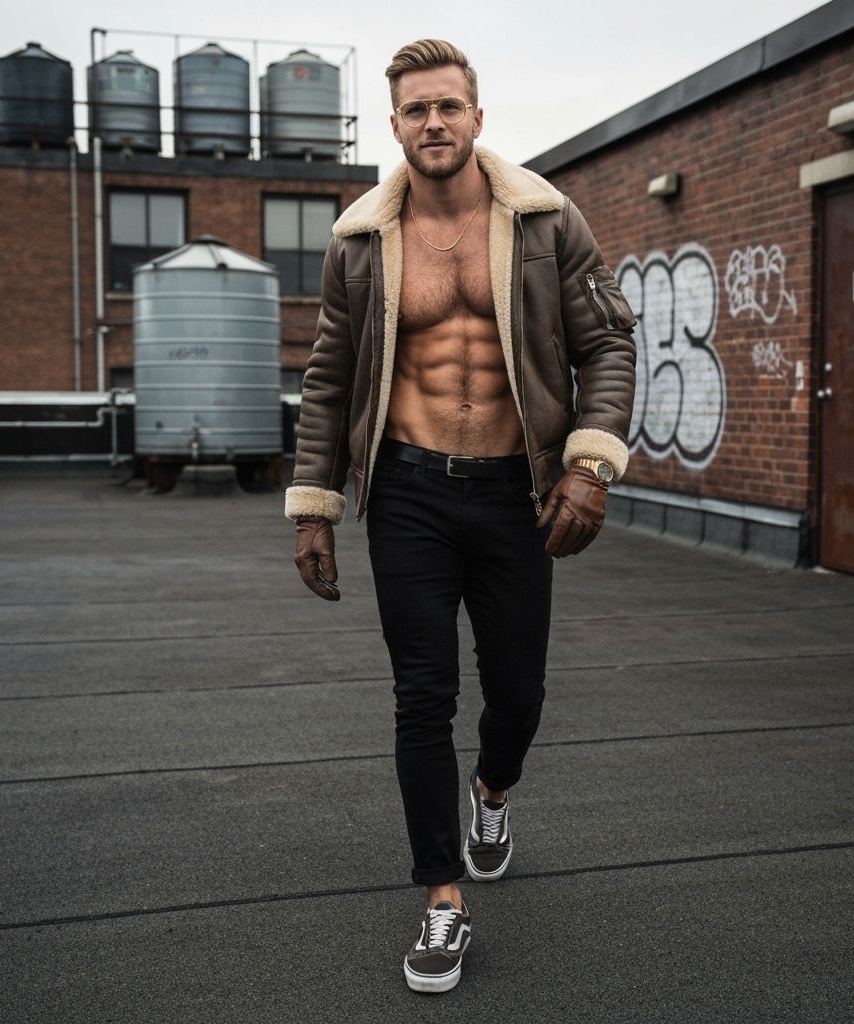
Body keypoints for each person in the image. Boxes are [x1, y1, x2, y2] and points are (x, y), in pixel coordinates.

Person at [286, 39, 636, 993]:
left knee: (517, 692)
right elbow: (327, 379)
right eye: (416, 110)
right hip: (407, 490)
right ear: (394, 125)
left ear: (478, 116)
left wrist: (591, 464)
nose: (433, 122)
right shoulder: (361, 241)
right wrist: (313, 508)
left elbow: (608, 344)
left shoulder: (546, 221)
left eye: (448, 106)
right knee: (422, 696)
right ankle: (442, 895)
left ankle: (493, 789)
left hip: (520, 491)